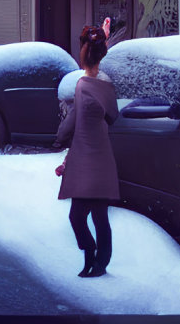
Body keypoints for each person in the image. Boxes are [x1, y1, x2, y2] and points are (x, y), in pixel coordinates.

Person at [53, 21, 118, 278]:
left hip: (84, 156)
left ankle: (91, 254)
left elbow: (71, 121)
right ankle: (100, 261)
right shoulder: (107, 86)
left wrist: (58, 138)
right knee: (100, 214)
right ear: (102, 54)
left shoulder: (82, 86)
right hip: (101, 154)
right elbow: (113, 116)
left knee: (77, 216)